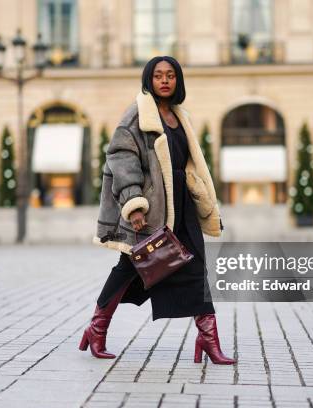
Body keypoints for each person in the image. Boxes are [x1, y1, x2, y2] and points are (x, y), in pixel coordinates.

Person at [81, 56, 236, 365]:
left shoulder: (181, 116)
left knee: (196, 268)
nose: (164, 80)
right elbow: (121, 159)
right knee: (129, 268)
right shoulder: (137, 115)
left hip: (183, 205)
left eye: (170, 76)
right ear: (148, 81)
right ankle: (96, 329)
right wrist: (133, 204)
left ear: (178, 81)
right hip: (152, 209)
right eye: (158, 76)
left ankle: (208, 340)